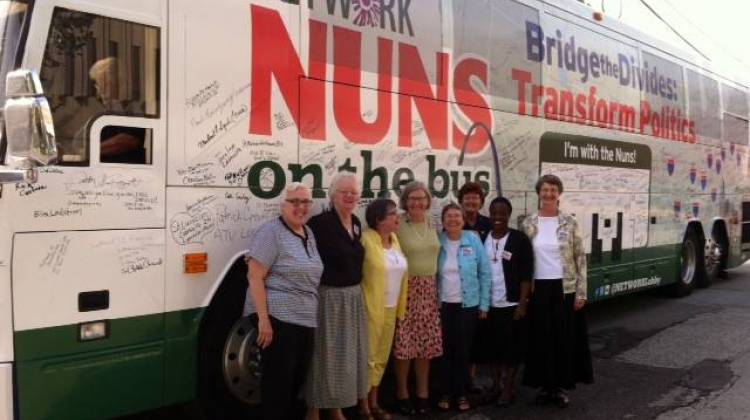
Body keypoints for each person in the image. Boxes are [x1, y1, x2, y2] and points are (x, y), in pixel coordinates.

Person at [245, 183, 324, 420]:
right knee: (277, 388)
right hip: (278, 320)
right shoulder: (271, 232)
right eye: (294, 201)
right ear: (283, 205)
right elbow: (254, 275)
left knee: (296, 385)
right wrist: (263, 320)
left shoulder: (308, 233)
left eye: (306, 202)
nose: (300, 207)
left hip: (305, 319)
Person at [521, 174, 593, 408]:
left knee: (562, 339)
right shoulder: (528, 223)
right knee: (541, 339)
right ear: (539, 193)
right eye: (545, 190)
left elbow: (580, 257)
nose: (549, 194)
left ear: (559, 194)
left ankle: (559, 388)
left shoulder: (569, 222)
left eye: (553, 190)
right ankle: (544, 387)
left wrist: (581, 292)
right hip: (538, 288)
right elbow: (524, 259)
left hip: (565, 288)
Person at [304, 173, 368, 420]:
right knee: (323, 355)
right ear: (333, 195)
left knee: (344, 356)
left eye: (353, 192)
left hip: (352, 298)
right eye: (344, 192)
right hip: (328, 298)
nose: (350, 196)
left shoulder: (356, 222)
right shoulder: (319, 224)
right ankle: (314, 409)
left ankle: (336, 407)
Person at [435, 203, 491, 412]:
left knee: (463, 352)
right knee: (445, 351)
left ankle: (461, 394)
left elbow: (485, 272)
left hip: (468, 306)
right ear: (443, 220)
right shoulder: (438, 241)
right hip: (444, 306)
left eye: (457, 216)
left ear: (463, 220)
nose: (453, 220)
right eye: (448, 216)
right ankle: (445, 392)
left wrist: (484, 304)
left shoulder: (473, 240)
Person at [393, 181, 442, 415]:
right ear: (405, 201)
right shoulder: (397, 223)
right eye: (412, 198)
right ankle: (402, 394)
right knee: (404, 346)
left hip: (429, 290)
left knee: (425, 346)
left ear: (428, 201)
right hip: (406, 289)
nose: (417, 202)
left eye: (421, 198)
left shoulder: (434, 222)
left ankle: (423, 394)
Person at [359, 198, 409, 420]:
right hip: (371, 308)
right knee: (368, 358)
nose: (397, 218)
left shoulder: (395, 240)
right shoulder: (366, 240)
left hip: (391, 308)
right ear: (379, 219)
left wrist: (401, 309)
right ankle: (364, 406)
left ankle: (375, 401)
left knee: (381, 358)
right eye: (392, 214)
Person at [481, 197, 533, 407]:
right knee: (492, 349)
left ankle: (509, 387)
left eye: (502, 213)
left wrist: (522, 303)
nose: (498, 217)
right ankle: (495, 385)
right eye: (494, 213)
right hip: (488, 305)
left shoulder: (519, 239)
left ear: (508, 215)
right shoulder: (483, 237)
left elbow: (526, 274)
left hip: (511, 305)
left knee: (511, 350)